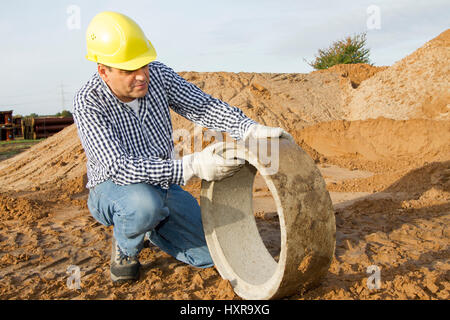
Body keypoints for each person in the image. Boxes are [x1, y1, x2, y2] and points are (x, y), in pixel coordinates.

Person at [73, 11, 293, 283]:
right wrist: (193, 165)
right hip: (113, 188)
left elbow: (202, 106)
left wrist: (248, 128)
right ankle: (126, 246)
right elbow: (119, 166)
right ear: (103, 71)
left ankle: (153, 228)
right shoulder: (88, 102)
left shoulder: (159, 76)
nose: (142, 76)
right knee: (143, 206)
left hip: (163, 183)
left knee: (214, 253)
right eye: (129, 70)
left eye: (144, 65)